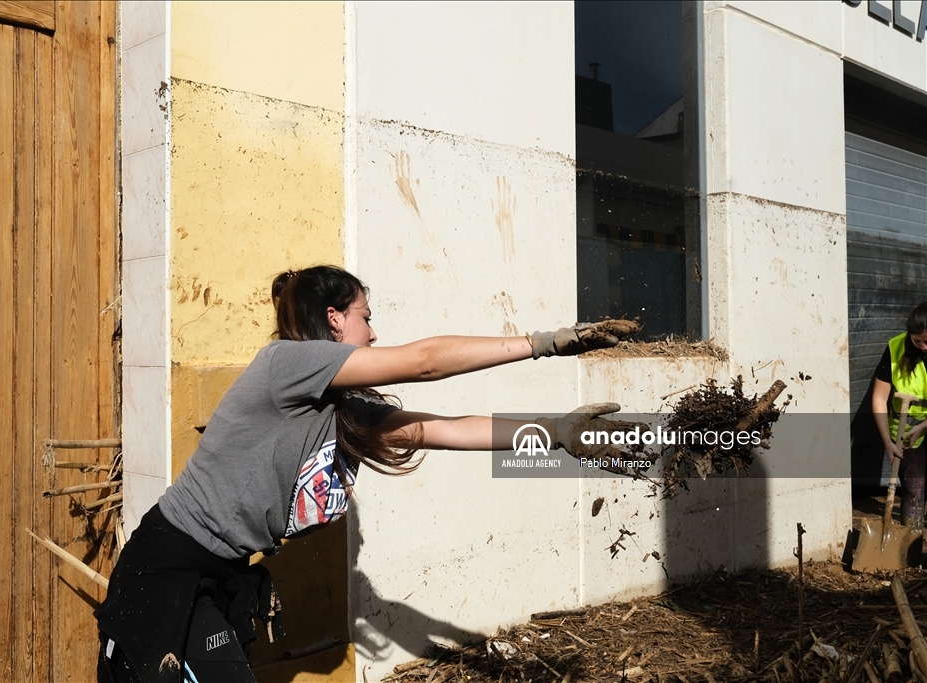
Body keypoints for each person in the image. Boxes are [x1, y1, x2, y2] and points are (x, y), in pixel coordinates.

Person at [95, 265, 637, 683]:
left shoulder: (340, 412)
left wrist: (556, 432)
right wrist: (546, 343)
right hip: (165, 567)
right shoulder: (285, 364)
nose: (373, 333)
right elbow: (426, 361)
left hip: (223, 570)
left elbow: (442, 430)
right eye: (365, 316)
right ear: (334, 318)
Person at [872, 301, 927, 532]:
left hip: (921, 426)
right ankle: (911, 544)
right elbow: (879, 399)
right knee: (915, 488)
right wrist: (887, 442)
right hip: (906, 432)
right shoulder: (896, 349)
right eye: (918, 341)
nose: (924, 347)